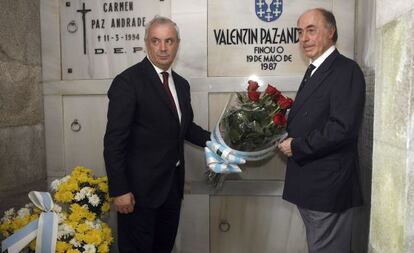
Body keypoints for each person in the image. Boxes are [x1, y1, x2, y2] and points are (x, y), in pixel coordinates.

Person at [103, 16, 210, 253]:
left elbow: (185, 127)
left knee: (164, 248)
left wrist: (218, 143)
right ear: (146, 43)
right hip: (137, 194)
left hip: (171, 189)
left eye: (169, 41)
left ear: (177, 44)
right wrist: (119, 189)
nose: (163, 48)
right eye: (156, 41)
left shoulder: (181, 84)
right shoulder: (128, 82)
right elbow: (114, 141)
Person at [278, 8, 365, 253]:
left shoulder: (345, 70)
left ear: (331, 31)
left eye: (311, 30)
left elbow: (342, 128)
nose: (304, 38)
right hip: (312, 187)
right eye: (300, 32)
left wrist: (296, 145)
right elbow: (315, 117)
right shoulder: (315, 69)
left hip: (329, 189)